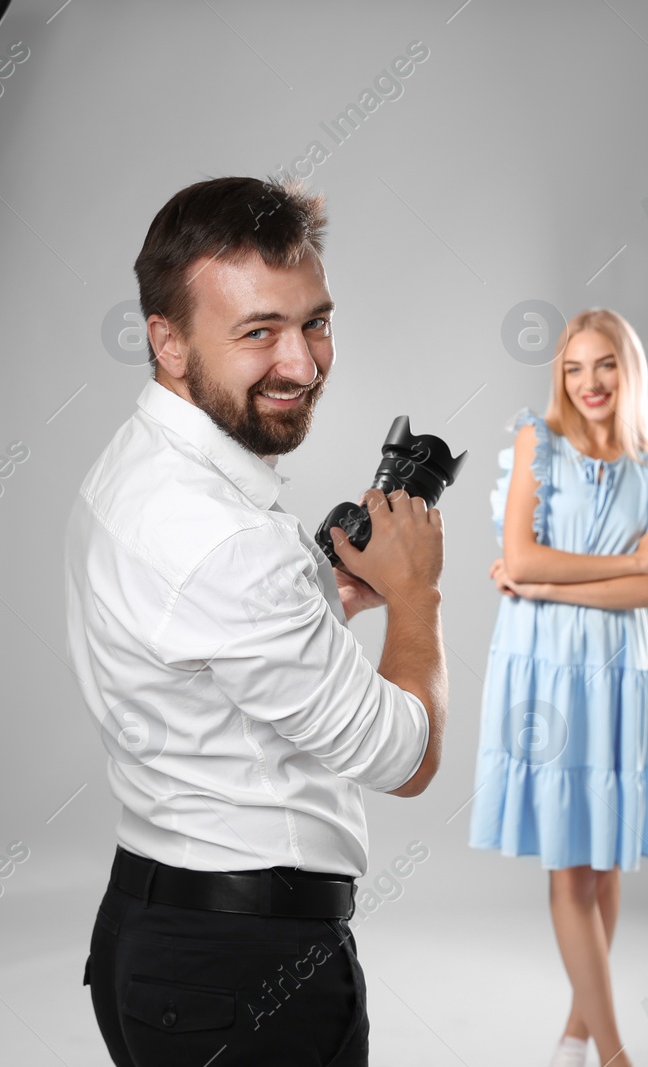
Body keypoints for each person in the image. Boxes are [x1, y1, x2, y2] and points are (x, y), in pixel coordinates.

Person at [66, 175, 448, 1067]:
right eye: (258, 332)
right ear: (167, 340)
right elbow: (408, 757)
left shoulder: (137, 465)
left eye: (314, 320)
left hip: (153, 931)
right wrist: (419, 593)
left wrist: (321, 600)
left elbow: (206, 650)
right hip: (248, 979)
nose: (303, 364)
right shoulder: (226, 536)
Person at [469, 308, 648, 1067]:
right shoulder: (538, 442)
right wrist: (630, 564)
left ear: (629, 371)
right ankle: (615, 1056)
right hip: (549, 674)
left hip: (621, 670)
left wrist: (546, 582)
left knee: (605, 857)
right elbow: (521, 558)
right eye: (573, 368)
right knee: (570, 860)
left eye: (605, 365)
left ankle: (574, 1036)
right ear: (558, 377)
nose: (589, 382)